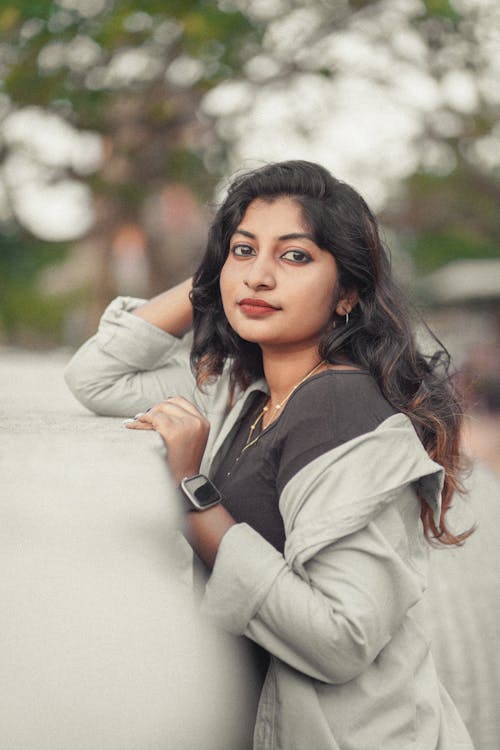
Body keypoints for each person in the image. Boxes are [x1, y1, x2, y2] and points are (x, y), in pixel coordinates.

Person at [65, 160, 475, 749]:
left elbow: (342, 639)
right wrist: (213, 276)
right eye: (242, 251)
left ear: (347, 294)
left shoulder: (341, 414)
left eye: (295, 256)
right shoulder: (247, 391)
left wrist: (194, 495)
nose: (258, 277)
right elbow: (95, 375)